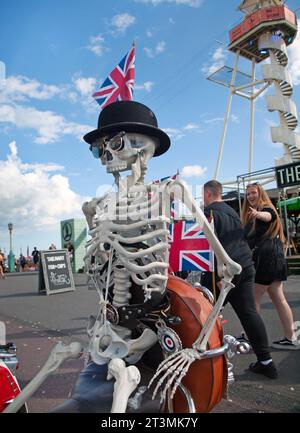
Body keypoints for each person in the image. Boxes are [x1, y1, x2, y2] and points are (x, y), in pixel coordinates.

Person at [203, 180, 278, 379]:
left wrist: (219, 275)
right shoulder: (232, 212)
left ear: (208, 194)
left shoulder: (208, 212)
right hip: (245, 265)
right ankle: (266, 362)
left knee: (202, 310)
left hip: (225, 270)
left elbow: (209, 246)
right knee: (249, 313)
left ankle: (200, 359)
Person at [241, 182, 299, 350]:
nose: (251, 196)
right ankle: (291, 337)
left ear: (261, 194)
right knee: (279, 299)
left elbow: (268, 216)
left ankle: (250, 337)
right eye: (248, 194)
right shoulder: (251, 216)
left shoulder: (267, 208)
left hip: (267, 261)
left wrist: (258, 214)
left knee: (253, 300)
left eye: (254, 193)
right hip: (275, 260)